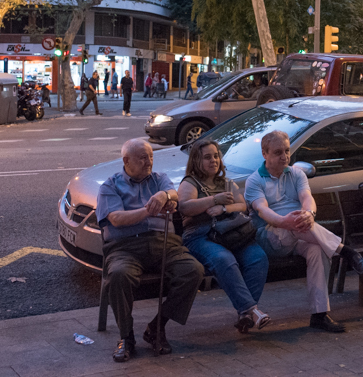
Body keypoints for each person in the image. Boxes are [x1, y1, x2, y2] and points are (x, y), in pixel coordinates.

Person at [244, 130, 363, 333]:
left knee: (317, 251)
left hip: (300, 234)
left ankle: (319, 315)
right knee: (297, 223)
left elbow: (306, 197)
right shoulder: (255, 180)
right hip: (269, 235)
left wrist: (310, 214)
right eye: (278, 152)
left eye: (287, 151)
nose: (284, 156)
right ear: (264, 154)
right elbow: (262, 210)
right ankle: (346, 251)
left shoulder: (296, 174)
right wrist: (285, 222)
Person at [96, 138, 204, 362]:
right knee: (118, 275)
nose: (149, 162)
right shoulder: (110, 186)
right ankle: (126, 336)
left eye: (151, 157)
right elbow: (115, 218)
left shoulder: (159, 179)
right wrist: (149, 210)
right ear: (126, 161)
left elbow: (173, 192)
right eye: (142, 158)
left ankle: (156, 327)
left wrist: (164, 196)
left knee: (193, 270)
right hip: (125, 246)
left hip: (163, 242)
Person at [178, 139, 270, 333]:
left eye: (216, 156)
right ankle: (252, 310)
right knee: (224, 259)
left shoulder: (226, 182)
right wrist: (213, 199)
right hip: (200, 236)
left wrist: (223, 208)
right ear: (196, 160)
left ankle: (245, 315)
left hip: (229, 233)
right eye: (207, 157)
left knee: (258, 258)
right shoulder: (190, 183)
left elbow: (242, 205)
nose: (213, 160)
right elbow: (185, 207)